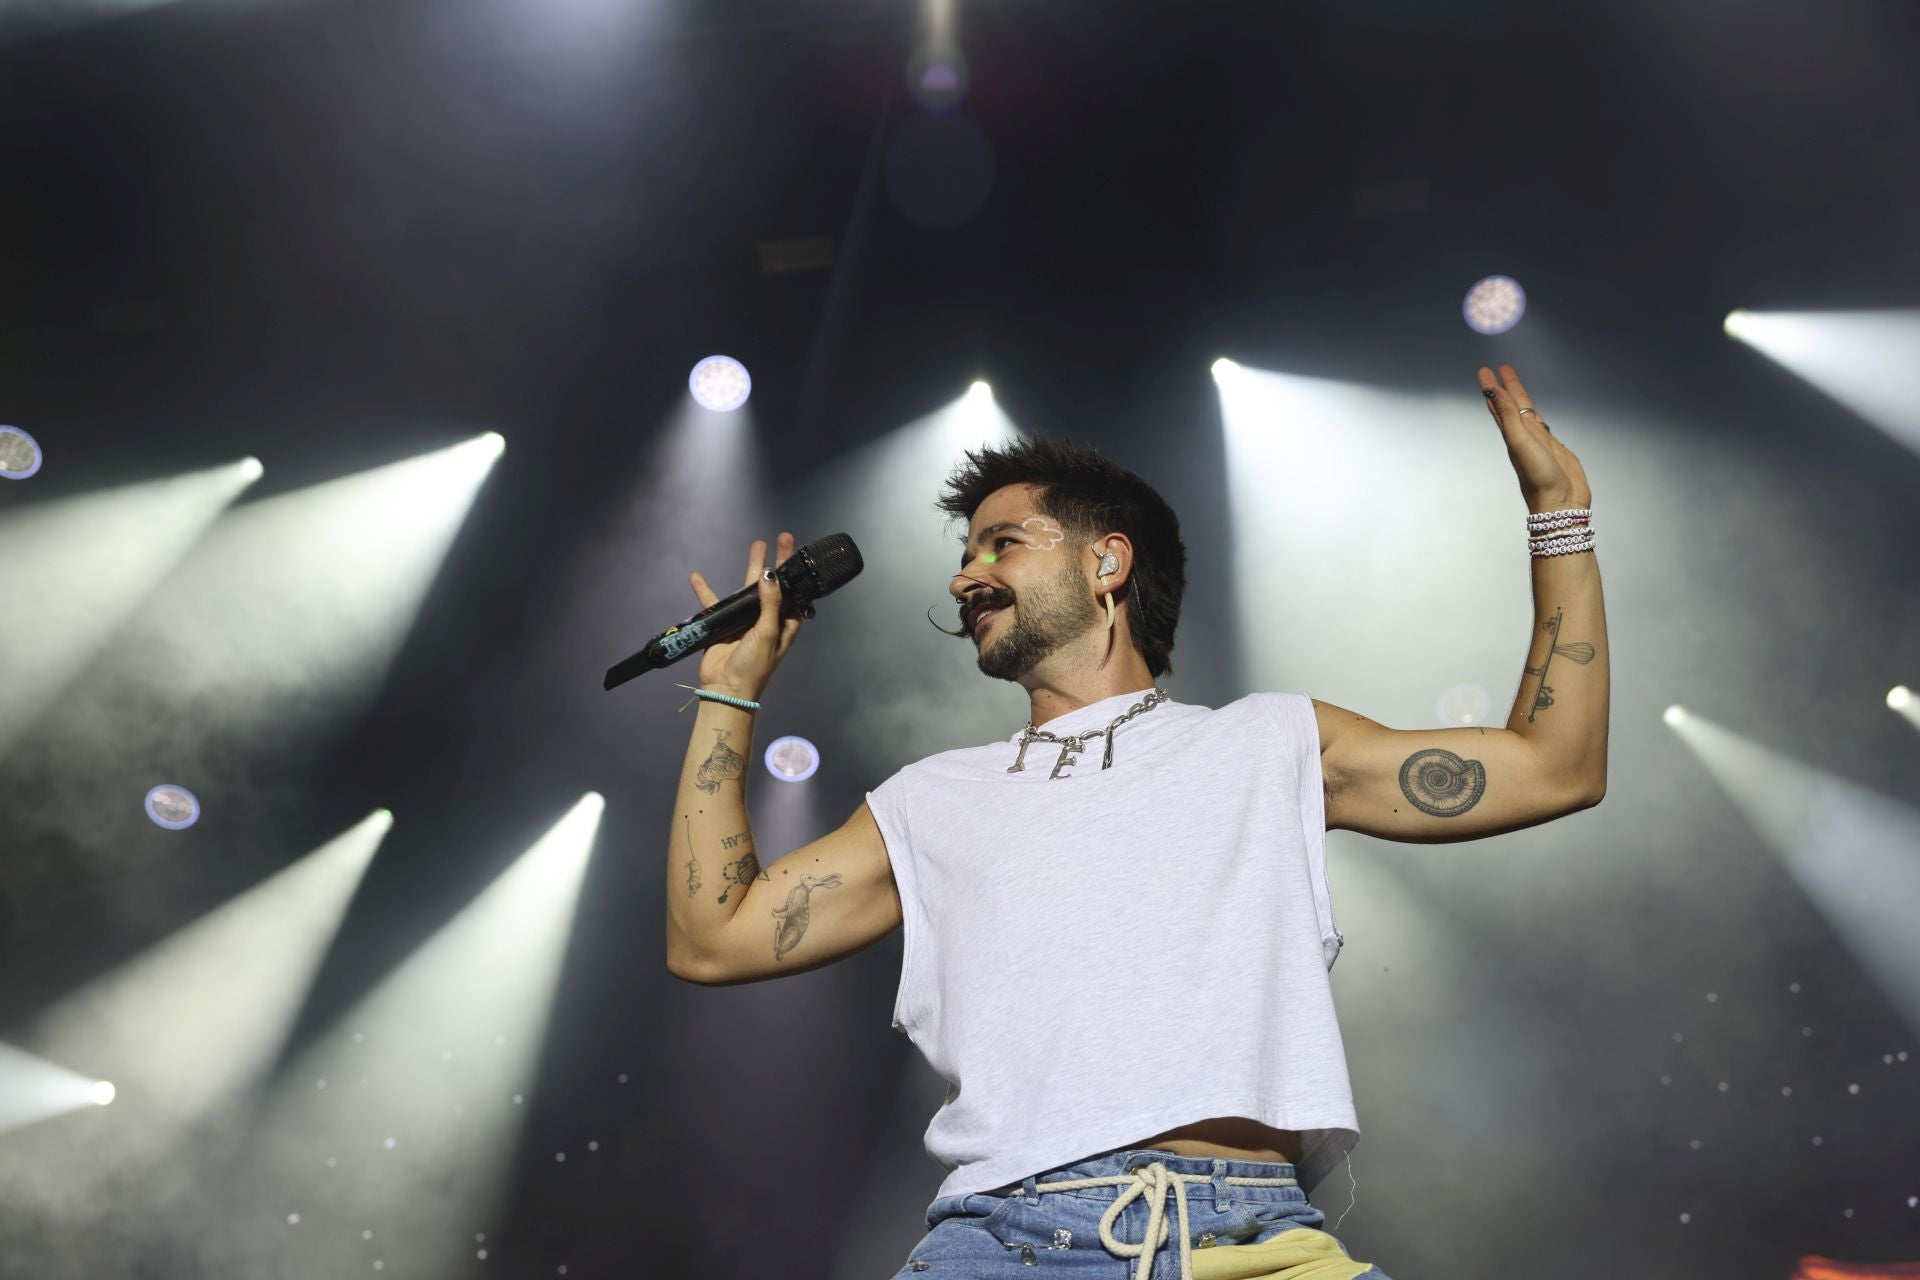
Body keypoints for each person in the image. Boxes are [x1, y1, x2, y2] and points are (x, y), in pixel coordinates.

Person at [663, 365, 1609, 1280]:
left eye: (1000, 544)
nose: (965, 580)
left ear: (1106, 560)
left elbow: (1553, 768)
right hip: (1005, 1243)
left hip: (1252, 1240)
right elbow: (716, 937)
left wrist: (1559, 519)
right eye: (962, 557)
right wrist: (729, 697)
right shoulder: (929, 800)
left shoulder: (1270, 743)